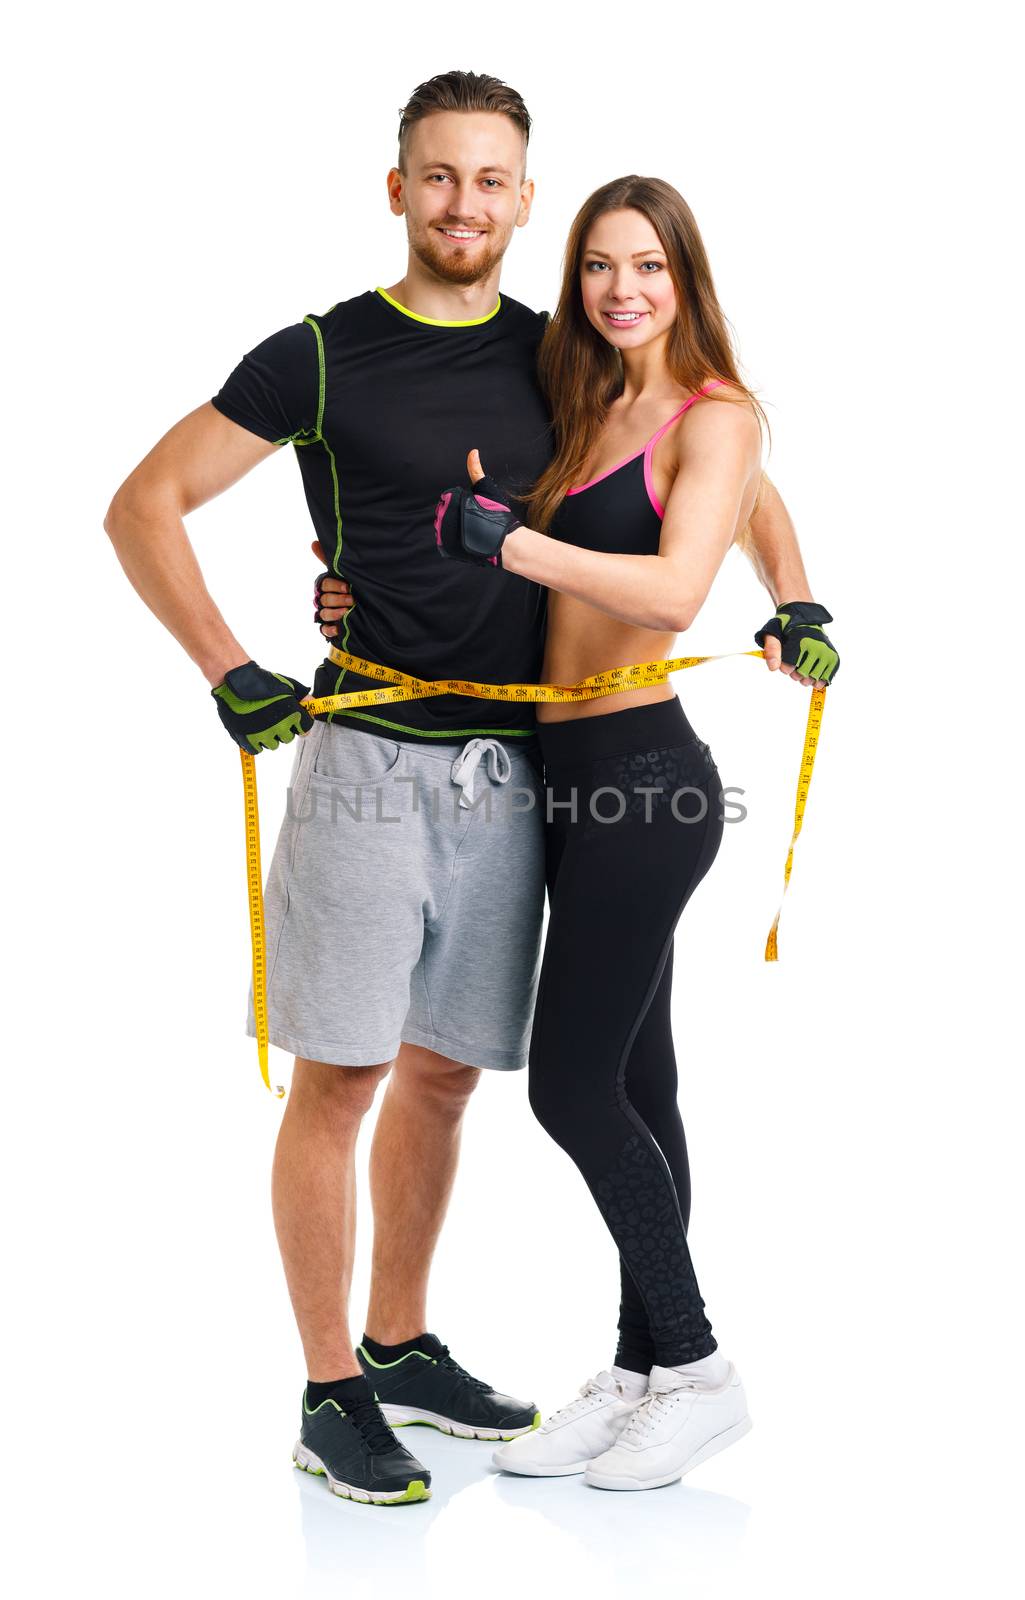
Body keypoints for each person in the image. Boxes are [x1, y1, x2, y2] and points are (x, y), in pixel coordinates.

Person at [105, 69, 827, 1509]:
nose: (462, 204)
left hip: (527, 771)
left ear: (522, 198)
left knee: (449, 1076)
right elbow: (143, 503)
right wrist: (229, 663)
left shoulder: (562, 351)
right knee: (344, 1076)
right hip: (370, 763)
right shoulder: (317, 355)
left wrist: (797, 595)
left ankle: (404, 1345)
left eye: (489, 181)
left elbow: (716, 457)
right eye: (437, 177)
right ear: (397, 189)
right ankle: (331, 1394)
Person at [320, 177, 838, 1493]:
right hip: (557, 778)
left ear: (686, 279)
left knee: (567, 1089)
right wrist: (795, 593)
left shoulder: (716, 413)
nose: (621, 290)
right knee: (640, 1090)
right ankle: (641, 1369)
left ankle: (703, 1370)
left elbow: (675, 578)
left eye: (648, 267)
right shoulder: (588, 396)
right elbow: (763, 516)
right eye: (600, 266)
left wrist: (518, 552)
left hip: (644, 788)